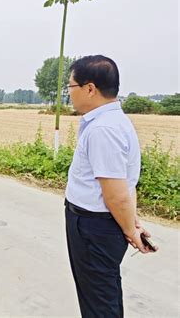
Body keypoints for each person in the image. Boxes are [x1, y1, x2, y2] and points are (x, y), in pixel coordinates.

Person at [65, 55, 157, 317]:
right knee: (102, 293)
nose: (69, 94)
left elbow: (115, 195)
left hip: (93, 227)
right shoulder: (113, 122)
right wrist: (132, 224)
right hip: (98, 225)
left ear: (90, 88)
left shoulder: (103, 129)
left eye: (71, 87)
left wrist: (131, 230)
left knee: (99, 301)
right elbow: (127, 184)